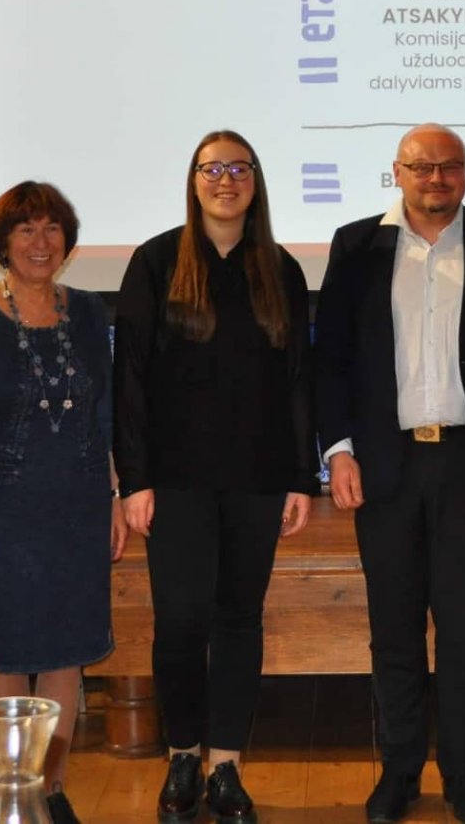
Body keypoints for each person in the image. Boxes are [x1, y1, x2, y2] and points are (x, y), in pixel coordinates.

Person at [316, 124, 465, 824]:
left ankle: (463, 774)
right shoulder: (356, 245)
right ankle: (398, 772)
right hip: (383, 465)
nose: (436, 178)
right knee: (393, 630)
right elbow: (331, 357)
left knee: (464, 631)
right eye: (422, 167)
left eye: (449, 166)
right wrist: (339, 449)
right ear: (397, 172)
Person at [114, 131, 318, 824]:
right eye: (212, 168)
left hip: (258, 477)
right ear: (193, 179)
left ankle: (226, 763)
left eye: (238, 168)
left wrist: (302, 477)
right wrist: (134, 479)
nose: (225, 180)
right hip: (174, 480)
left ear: (255, 181)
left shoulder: (280, 269)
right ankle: (182, 754)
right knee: (179, 620)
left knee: (238, 618)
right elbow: (130, 376)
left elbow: (298, 380)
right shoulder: (155, 260)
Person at [0, 182, 127, 824]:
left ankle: (53, 792)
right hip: (1, 506)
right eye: (25, 229)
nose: (40, 242)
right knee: (12, 651)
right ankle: (10, 794)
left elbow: (105, 414)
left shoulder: (90, 312)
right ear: (1, 242)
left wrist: (114, 498)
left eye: (51, 229)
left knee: (68, 649)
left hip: (80, 499)